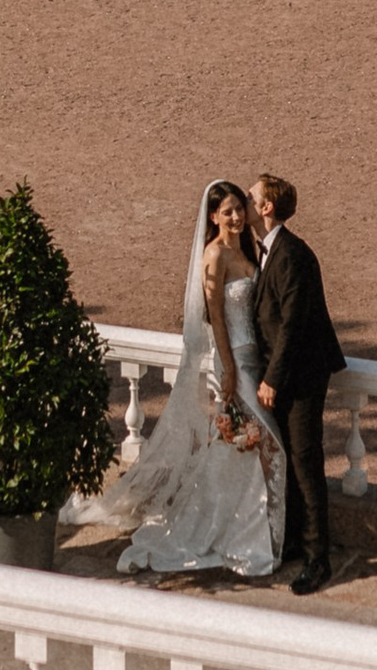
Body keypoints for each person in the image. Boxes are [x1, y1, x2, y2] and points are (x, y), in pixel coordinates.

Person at [77, 181, 283, 581]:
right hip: (237, 366)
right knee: (263, 447)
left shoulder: (246, 250)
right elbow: (217, 317)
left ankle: (249, 531)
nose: (237, 216)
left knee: (241, 455)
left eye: (240, 209)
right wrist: (229, 369)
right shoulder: (214, 255)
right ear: (213, 217)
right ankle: (247, 536)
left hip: (256, 359)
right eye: (228, 212)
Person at [252, 173, 346, 594]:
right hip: (287, 372)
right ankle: (295, 541)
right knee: (288, 460)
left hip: (301, 376)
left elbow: (292, 325)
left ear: (267, 207)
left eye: (252, 196)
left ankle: (316, 558)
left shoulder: (291, 254)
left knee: (305, 463)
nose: (248, 199)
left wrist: (272, 378)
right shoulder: (270, 251)